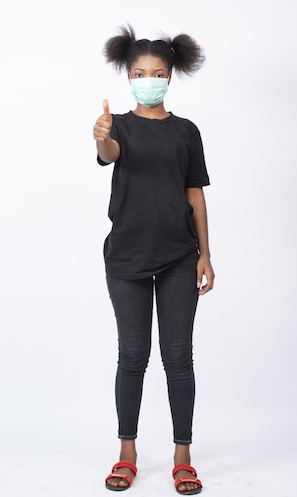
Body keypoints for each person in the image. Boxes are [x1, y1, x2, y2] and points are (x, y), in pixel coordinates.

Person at [93, 24, 215, 494]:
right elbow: (109, 152)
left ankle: (183, 457)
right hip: (126, 258)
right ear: (128, 76)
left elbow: (196, 195)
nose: (150, 79)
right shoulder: (117, 127)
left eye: (158, 73)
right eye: (140, 72)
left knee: (178, 358)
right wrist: (101, 135)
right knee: (132, 356)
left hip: (180, 258)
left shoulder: (187, 131)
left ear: (171, 76)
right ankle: (127, 453)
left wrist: (205, 253)